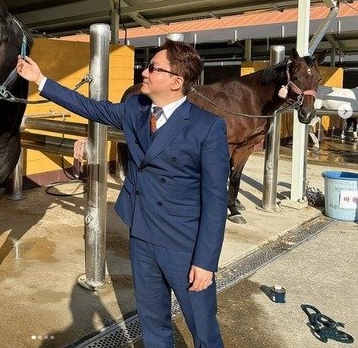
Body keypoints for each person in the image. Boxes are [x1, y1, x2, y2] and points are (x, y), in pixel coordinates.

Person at [17, 40, 230, 348]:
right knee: (153, 324)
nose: (144, 72)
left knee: (204, 331)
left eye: (153, 68)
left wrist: (206, 262)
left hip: (185, 245)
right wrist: (41, 80)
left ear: (175, 81)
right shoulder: (137, 110)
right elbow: (91, 107)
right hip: (142, 235)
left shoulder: (207, 127)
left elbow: (214, 200)